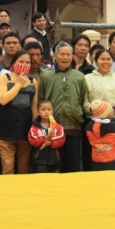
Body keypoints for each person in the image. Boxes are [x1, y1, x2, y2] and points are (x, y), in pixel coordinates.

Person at [39, 41, 87, 173]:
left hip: (74, 126)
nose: (65, 57)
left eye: (68, 54)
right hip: (52, 128)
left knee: (74, 166)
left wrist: (78, 114)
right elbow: (42, 99)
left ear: (72, 56)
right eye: (62, 54)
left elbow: (83, 99)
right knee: (56, 166)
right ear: (55, 56)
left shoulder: (80, 77)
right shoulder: (46, 76)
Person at [0, 50, 38, 174]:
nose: (24, 65)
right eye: (21, 61)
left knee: (24, 168)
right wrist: (19, 83)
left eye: (27, 62)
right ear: (13, 63)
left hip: (25, 133)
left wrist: (35, 127)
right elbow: (3, 100)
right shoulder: (5, 78)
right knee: (7, 167)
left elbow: (34, 106)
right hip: (5, 132)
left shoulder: (32, 82)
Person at [85, 100, 115, 171]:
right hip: (114, 161)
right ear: (107, 114)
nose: (113, 110)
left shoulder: (89, 126)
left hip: (96, 162)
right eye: (110, 109)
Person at [28, 99, 65, 173]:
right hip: (39, 160)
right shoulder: (34, 127)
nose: (46, 112)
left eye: (49, 109)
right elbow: (33, 140)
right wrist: (45, 139)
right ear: (38, 112)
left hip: (54, 161)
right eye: (43, 109)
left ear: (52, 111)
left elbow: (61, 139)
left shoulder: (58, 127)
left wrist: (50, 143)